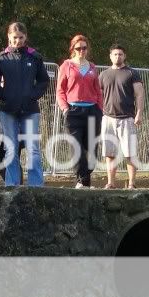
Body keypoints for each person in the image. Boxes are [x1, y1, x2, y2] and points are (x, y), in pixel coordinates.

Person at [0, 22, 49, 187]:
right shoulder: (0, 58)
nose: (17, 41)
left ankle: (36, 185)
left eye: (21, 37)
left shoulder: (35, 57)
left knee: (32, 149)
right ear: (9, 37)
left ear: (26, 37)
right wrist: (3, 95)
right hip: (7, 109)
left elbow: (43, 80)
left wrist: (33, 95)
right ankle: (12, 184)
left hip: (30, 109)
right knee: (11, 149)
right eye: (14, 37)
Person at [56, 34, 103, 188]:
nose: (81, 51)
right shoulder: (66, 65)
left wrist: (100, 109)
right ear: (73, 49)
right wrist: (65, 108)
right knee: (76, 147)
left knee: (92, 150)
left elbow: (98, 91)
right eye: (78, 48)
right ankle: (82, 182)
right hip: (73, 111)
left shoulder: (92, 67)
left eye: (84, 48)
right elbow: (60, 90)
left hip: (92, 110)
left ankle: (84, 182)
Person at [99, 44, 144, 189]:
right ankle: (111, 183)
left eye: (120, 54)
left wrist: (139, 113)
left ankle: (132, 183)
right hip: (108, 118)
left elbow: (139, 94)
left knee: (130, 153)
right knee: (110, 153)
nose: (118, 56)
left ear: (124, 56)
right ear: (110, 56)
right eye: (115, 54)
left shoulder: (132, 73)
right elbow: (98, 95)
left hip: (127, 118)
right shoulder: (103, 75)